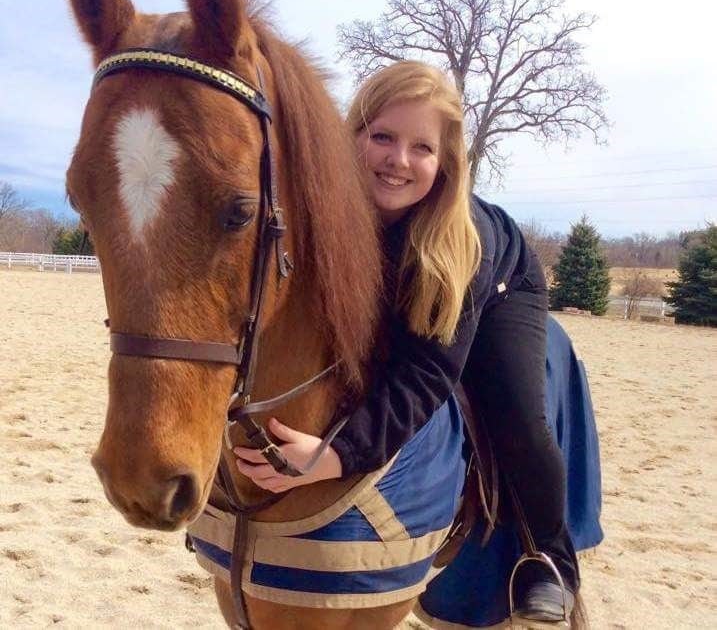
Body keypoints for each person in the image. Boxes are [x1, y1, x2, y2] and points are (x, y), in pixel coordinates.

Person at [234, 61, 579, 623]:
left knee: (517, 415)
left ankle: (549, 559)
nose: (399, 160)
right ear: (353, 137)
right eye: (383, 137)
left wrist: (334, 457)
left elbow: (426, 373)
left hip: (497, 287)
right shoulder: (322, 207)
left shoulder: (463, 242)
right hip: (397, 269)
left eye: (422, 147)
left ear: (444, 163)